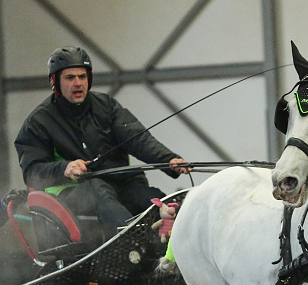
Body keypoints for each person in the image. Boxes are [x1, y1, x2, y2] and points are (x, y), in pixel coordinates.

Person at [14, 45, 190, 238]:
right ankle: (132, 239)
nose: (78, 83)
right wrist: (64, 168)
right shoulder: (39, 121)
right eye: (70, 78)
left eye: (82, 76)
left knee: (150, 198)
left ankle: (176, 241)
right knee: (97, 189)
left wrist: (169, 159)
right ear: (55, 82)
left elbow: (138, 139)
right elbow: (32, 171)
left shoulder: (106, 106)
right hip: (71, 195)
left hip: (120, 186)